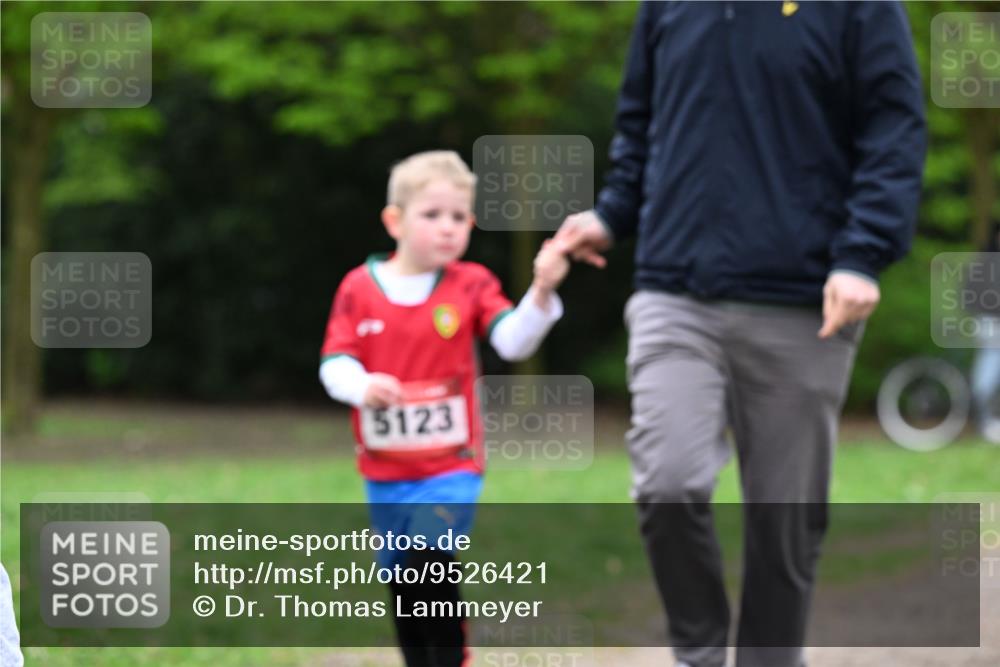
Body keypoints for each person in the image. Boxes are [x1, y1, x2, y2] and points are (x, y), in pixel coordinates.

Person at [555, 2, 926, 667]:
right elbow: (640, 122)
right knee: (669, 480)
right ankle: (698, 654)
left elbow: (893, 129)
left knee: (784, 520)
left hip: (804, 300)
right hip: (674, 288)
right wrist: (612, 213)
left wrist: (861, 254)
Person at [318, 150, 570, 667]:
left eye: (459, 217)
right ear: (395, 221)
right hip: (386, 470)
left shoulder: (471, 284)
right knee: (404, 584)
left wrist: (542, 291)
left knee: (429, 559)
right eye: (432, 215)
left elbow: (514, 341)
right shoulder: (358, 289)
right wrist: (361, 385)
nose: (448, 228)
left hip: (452, 465)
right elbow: (332, 363)